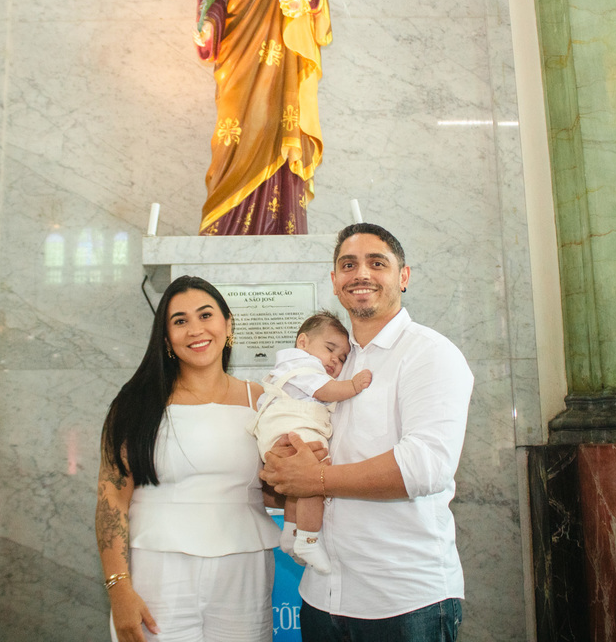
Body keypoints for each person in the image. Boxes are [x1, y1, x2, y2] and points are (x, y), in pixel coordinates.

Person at [260, 223, 475, 641]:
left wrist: (315, 478)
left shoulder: (430, 354)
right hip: (323, 597)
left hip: (404, 600)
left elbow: (425, 467)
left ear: (403, 277)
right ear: (335, 282)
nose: (361, 273)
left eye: (377, 263)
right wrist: (278, 470)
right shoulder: (331, 366)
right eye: (348, 264)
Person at [96, 275, 279, 641]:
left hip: (243, 571)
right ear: (166, 339)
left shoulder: (260, 399)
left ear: (228, 325)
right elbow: (111, 497)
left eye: (205, 315)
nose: (195, 329)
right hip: (156, 570)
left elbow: (276, 490)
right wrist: (118, 588)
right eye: (180, 321)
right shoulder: (135, 404)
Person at [193, 0, 331, 236]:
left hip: (282, 59)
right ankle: (225, 225)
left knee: (277, 134)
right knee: (232, 136)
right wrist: (208, 25)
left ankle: (277, 230)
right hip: (239, 59)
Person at [247, 310, 371, 575]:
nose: (334, 361)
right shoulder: (302, 367)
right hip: (294, 429)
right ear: (302, 342)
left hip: (282, 432)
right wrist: (353, 385)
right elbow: (325, 391)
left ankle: (291, 533)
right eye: (329, 349)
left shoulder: (288, 368)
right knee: (314, 481)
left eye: (341, 359)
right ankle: (309, 539)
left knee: (297, 487)